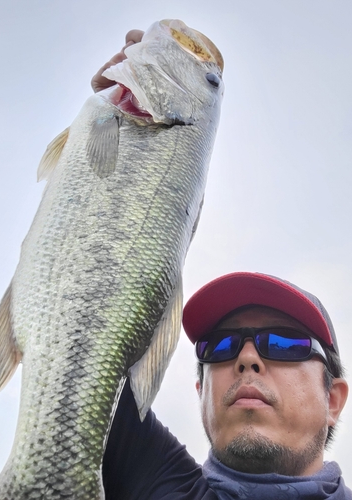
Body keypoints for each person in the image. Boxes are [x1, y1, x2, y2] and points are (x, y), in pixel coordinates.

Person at [93, 34, 351, 499]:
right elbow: (81, 334)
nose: (247, 359)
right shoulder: (150, 477)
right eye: (220, 346)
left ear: (334, 400)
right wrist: (106, 151)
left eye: (285, 343)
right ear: (200, 389)